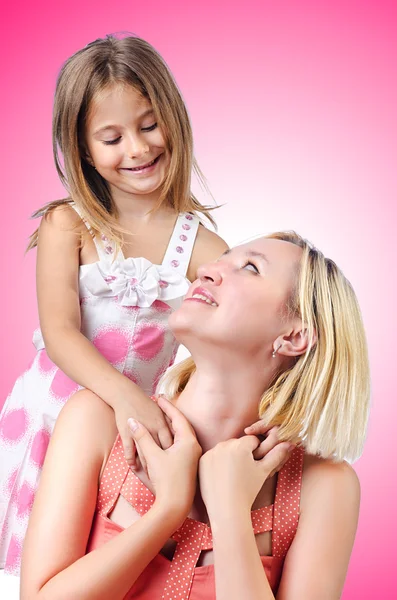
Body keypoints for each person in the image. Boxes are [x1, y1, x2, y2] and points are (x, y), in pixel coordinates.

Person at [21, 232, 370, 599]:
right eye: (222, 259)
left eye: (250, 268)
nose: (207, 270)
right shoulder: (98, 423)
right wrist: (167, 509)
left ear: (294, 337)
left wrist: (230, 510)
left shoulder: (323, 486)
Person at [0, 34, 228, 575]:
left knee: (93, 559)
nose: (138, 149)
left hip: (127, 438)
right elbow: (61, 333)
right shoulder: (68, 224)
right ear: (82, 149)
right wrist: (125, 396)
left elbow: (236, 332)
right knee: (27, 551)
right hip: (51, 419)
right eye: (111, 136)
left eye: (149, 125)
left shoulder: (202, 246)